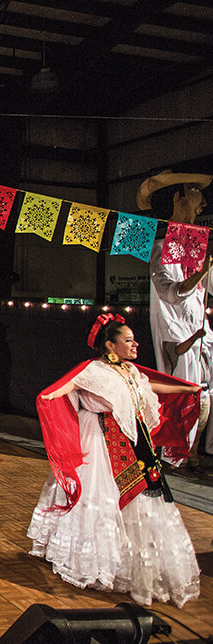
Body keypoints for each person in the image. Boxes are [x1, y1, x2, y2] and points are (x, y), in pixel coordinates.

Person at [30, 314, 201, 608]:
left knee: (139, 501)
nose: (134, 344)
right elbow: (66, 387)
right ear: (110, 345)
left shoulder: (132, 372)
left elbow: (151, 389)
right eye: (128, 340)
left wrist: (187, 389)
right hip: (97, 438)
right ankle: (89, 561)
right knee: (97, 495)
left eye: (134, 339)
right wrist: (48, 398)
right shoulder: (93, 370)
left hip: (130, 441)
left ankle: (126, 563)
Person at [141, 171, 213, 468]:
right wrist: (200, 271)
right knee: (184, 399)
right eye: (195, 192)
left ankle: (192, 452)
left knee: (204, 396)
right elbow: (171, 292)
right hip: (178, 340)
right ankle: (177, 455)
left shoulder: (194, 248)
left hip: (201, 337)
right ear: (175, 198)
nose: (203, 203)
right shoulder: (161, 250)